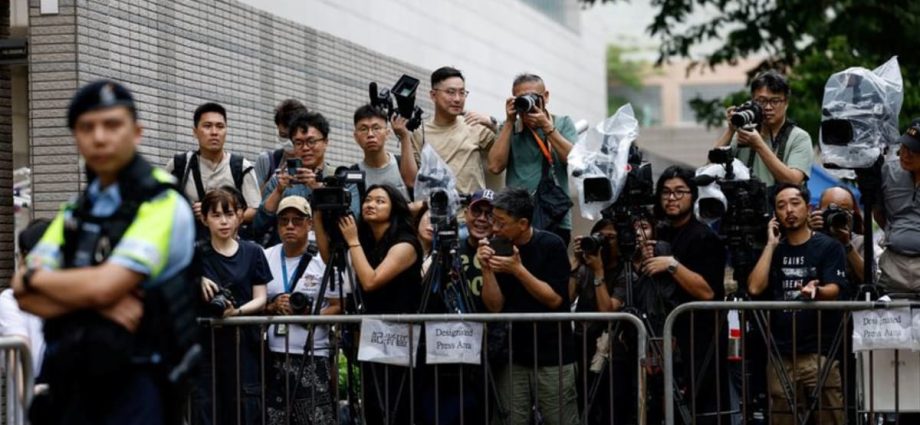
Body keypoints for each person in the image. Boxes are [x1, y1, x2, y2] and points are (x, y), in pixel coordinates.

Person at [13, 80, 196, 424]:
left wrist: (50, 284)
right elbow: (22, 290)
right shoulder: (75, 211)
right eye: (86, 127)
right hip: (72, 381)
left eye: (112, 124)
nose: (99, 137)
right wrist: (42, 280)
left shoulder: (163, 202)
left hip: (138, 384)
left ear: (137, 132)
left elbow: (105, 285)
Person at [314, 184, 422, 425]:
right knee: (373, 403)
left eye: (380, 201)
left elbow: (371, 281)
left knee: (397, 404)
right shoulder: (364, 240)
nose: (371, 205)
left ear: (395, 208)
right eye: (368, 200)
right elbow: (328, 257)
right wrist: (318, 216)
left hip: (399, 335)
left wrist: (352, 240)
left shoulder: (406, 244)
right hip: (372, 335)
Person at [477, 187, 579, 425]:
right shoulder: (497, 245)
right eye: (494, 221)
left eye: (501, 223)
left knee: (561, 417)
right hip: (513, 354)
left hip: (554, 354)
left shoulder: (550, 244)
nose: (495, 228)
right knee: (511, 418)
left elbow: (555, 300)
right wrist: (486, 269)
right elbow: (494, 306)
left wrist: (517, 270)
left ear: (522, 223)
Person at [747, 183, 847, 424]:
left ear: (807, 207)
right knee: (782, 417)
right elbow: (754, 287)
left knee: (830, 415)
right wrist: (771, 245)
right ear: (775, 215)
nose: (788, 210)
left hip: (819, 350)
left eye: (795, 203)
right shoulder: (773, 251)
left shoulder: (828, 246)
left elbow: (836, 288)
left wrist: (817, 291)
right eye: (781, 206)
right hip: (780, 352)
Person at [648, 165, 727, 423]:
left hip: (699, 342)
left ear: (693, 196)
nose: (672, 198)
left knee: (700, 412)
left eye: (680, 191)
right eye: (666, 192)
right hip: (661, 338)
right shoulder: (658, 233)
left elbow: (708, 292)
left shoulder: (704, 237)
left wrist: (672, 265)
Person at [195, 187, 271, 425]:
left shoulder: (253, 252)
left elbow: (261, 298)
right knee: (206, 408)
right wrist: (194, 278)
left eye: (229, 214)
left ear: (240, 216)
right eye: (216, 215)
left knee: (243, 408)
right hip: (205, 345)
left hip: (243, 344)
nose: (224, 221)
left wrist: (235, 313)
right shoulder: (194, 254)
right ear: (205, 218)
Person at [263, 196, 339, 425]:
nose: (289, 226)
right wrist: (273, 306)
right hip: (273, 354)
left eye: (297, 220)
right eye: (283, 220)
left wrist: (310, 317)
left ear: (310, 224)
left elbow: (339, 306)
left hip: (313, 354)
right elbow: (256, 302)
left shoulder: (323, 258)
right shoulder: (266, 256)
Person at [489, 73, 578, 244]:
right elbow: (494, 167)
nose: (528, 103)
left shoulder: (562, 123)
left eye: (534, 97)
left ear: (546, 97)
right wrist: (508, 122)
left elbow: (574, 159)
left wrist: (547, 127)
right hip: (516, 220)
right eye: (522, 98)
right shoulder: (510, 128)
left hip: (554, 217)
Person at [256, 111, 360, 246]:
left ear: (326, 142)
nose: (305, 148)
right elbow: (258, 226)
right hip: (287, 254)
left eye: (311, 141)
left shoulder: (341, 178)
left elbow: (354, 219)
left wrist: (320, 190)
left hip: (329, 255)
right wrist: (278, 191)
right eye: (298, 143)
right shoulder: (280, 180)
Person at [166, 102, 261, 231]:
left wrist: (225, 214)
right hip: (191, 243)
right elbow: (163, 206)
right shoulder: (178, 165)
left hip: (230, 244)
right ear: (195, 132)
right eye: (207, 126)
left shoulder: (241, 167)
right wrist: (189, 210)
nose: (214, 132)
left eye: (220, 126)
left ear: (226, 131)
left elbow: (255, 210)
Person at [568, 218, 627, 425]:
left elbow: (606, 310)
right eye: (599, 237)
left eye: (610, 238)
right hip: (581, 345)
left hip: (611, 351)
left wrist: (599, 272)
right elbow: (566, 299)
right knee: (583, 404)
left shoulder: (625, 272)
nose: (603, 242)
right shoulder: (586, 266)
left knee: (610, 407)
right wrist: (576, 262)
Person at [713, 70, 814, 187]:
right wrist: (731, 130)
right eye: (761, 101)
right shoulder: (744, 134)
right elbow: (711, 167)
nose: (768, 107)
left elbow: (793, 181)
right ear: (752, 101)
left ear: (786, 102)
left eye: (775, 101)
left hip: (780, 204)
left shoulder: (799, 137)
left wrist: (759, 145)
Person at [410, 66, 498, 195]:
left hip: (473, 211)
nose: (457, 99)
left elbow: (502, 155)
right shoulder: (420, 133)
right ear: (433, 95)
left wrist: (493, 125)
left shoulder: (474, 124)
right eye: (451, 92)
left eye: (462, 93)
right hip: (437, 211)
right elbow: (412, 180)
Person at [876, 119, 920, 293]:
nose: (906, 154)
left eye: (915, 151)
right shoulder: (888, 171)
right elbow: (878, 213)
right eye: (904, 146)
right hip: (893, 262)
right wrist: (895, 233)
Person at [809, 186, 871, 292]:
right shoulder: (810, 236)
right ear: (819, 211)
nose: (836, 215)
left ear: (852, 214)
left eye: (843, 211)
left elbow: (870, 279)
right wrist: (809, 233)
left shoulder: (860, 242)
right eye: (830, 210)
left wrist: (847, 245)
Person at [352, 104, 417, 200]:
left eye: (376, 128)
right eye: (364, 129)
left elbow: (414, 184)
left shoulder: (403, 164)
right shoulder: (354, 173)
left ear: (387, 134)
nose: (370, 134)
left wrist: (404, 135)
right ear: (356, 137)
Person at [255, 99, 309, 192]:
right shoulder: (267, 161)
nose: (289, 142)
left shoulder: (314, 162)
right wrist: (274, 181)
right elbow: (253, 201)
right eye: (283, 135)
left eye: (293, 137)